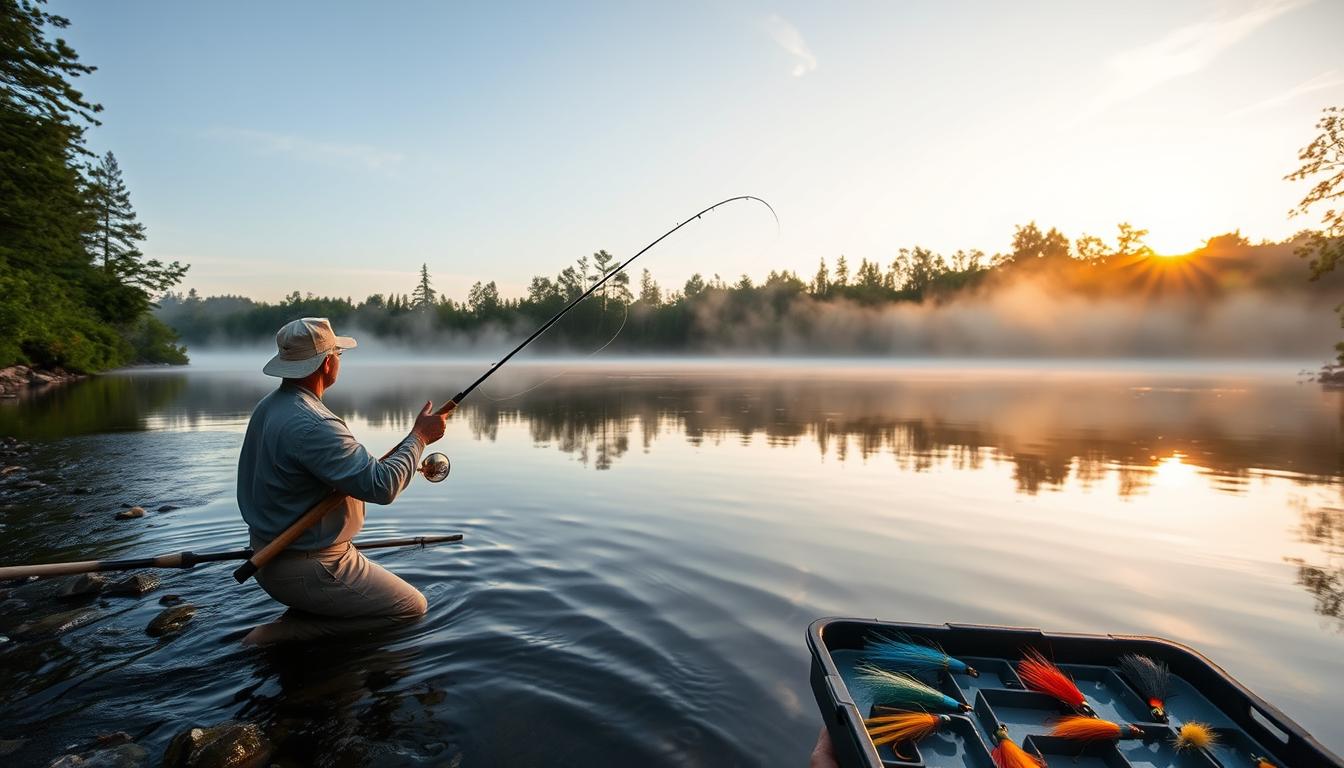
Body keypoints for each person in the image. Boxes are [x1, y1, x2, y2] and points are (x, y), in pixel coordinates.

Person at [237, 317, 450, 644]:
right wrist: (420, 437)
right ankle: (278, 637)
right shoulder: (316, 424)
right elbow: (382, 486)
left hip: (266, 555)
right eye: (337, 353)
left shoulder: (269, 407)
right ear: (326, 364)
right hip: (309, 565)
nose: (339, 360)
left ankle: (312, 613)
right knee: (411, 608)